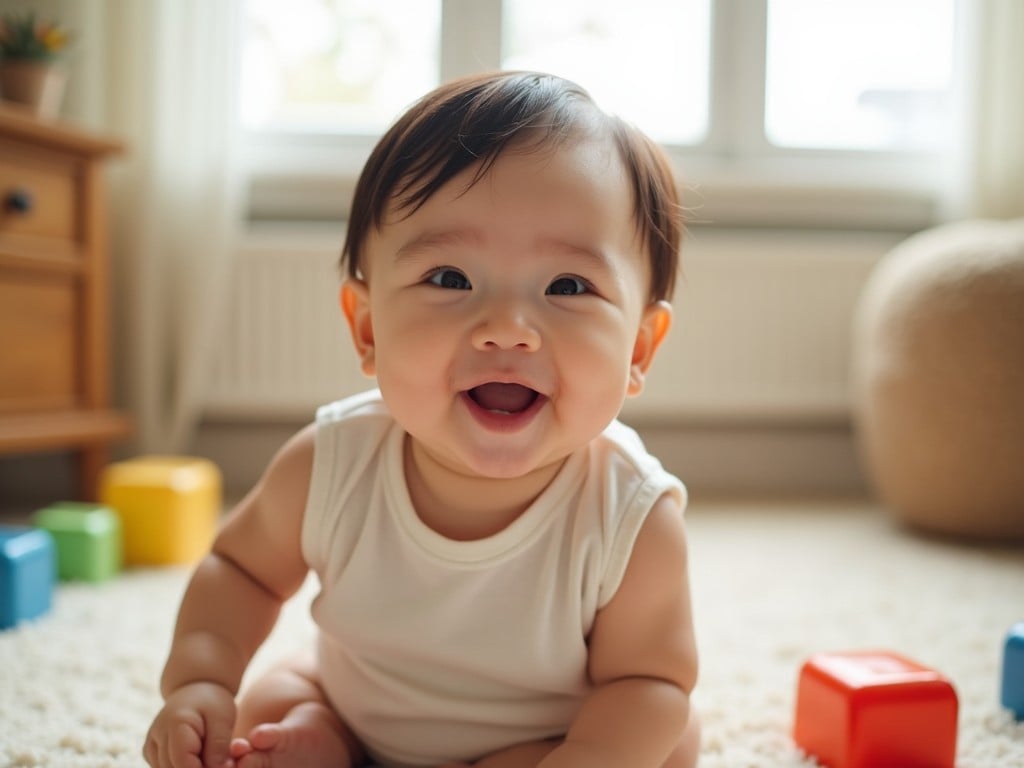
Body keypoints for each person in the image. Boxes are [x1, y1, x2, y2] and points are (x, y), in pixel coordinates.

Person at [143, 71, 699, 768]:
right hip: (353, 708)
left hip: (543, 741)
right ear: (368, 328)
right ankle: (323, 739)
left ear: (640, 349)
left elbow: (648, 680)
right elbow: (239, 571)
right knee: (271, 704)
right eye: (450, 279)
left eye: (567, 286)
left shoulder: (630, 517)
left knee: (670, 739)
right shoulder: (331, 465)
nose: (507, 330)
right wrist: (201, 680)